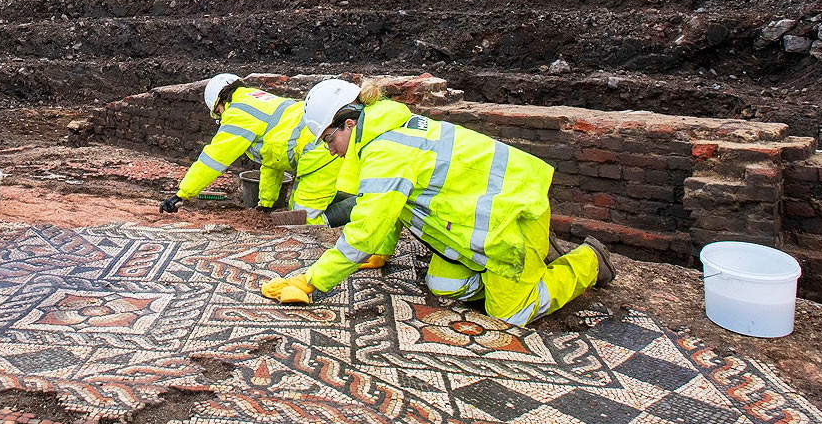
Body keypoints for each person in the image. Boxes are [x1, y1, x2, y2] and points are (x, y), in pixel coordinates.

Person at [259, 79, 614, 325]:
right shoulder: (384, 133)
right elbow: (389, 208)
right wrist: (380, 252)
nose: (328, 148)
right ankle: (528, 261)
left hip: (512, 217)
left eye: (327, 138)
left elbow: (365, 228)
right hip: (479, 226)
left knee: (511, 313)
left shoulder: (386, 152)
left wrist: (311, 281)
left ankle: (587, 262)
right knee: (445, 285)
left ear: (348, 123)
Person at [159, 73, 347, 226]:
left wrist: (181, 194)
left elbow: (213, 159)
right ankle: (358, 210)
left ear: (218, 106)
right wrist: (266, 203)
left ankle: (349, 224)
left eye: (218, 115)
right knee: (300, 208)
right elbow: (273, 161)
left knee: (302, 219)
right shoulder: (258, 101)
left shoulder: (238, 113)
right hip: (327, 139)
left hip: (320, 146)